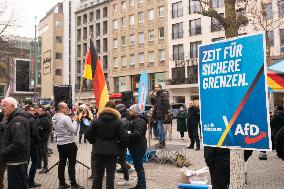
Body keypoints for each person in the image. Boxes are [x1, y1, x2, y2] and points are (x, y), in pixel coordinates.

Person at [85, 101, 128, 189]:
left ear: (104, 108)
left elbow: (88, 134)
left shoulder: (96, 121)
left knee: (98, 173)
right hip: (112, 151)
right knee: (110, 175)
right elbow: (124, 138)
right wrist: (117, 145)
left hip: (99, 150)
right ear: (115, 109)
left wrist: (95, 142)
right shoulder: (118, 122)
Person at [0, 97, 30, 189]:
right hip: (15, 161)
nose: (2, 108)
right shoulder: (13, 118)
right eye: (1, 106)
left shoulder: (17, 120)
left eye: (5, 106)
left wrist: (2, 152)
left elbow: (19, 143)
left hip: (17, 162)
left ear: (13, 106)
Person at [52, 102, 84, 189]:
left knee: (62, 163)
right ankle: (73, 184)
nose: (68, 109)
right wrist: (75, 121)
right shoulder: (65, 118)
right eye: (66, 108)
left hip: (60, 144)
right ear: (61, 108)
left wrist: (72, 120)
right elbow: (74, 131)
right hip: (69, 143)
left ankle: (62, 183)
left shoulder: (54, 117)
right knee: (71, 164)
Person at [127, 104, 147, 189]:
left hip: (138, 147)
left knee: (139, 167)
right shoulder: (135, 120)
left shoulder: (139, 121)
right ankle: (140, 185)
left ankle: (142, 186)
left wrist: (127, 134)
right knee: (138, 166)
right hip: (135, 146)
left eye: (131, 110)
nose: (129, 112)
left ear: (135, 111)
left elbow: (138, 134)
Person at [25, 105, 41, 188]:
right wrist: (39, 141)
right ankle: (30, 181)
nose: (33, 111)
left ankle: (25, 181)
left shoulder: (23, 118)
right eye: (31, 110)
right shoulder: (31, 119)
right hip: (33, 145)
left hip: (25, 145)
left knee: (25, 164)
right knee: (35, 162)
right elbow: (35, 133)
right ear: (27, 110)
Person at [116, 104, 131, 186]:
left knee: (121, 160)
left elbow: (121, 134)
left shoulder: (121, 121)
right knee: (121, 160)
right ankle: (127, 168)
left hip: (121, 143)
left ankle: (126, 178)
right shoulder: (125, 119)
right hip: (123, 143)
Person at [37, 106, 52, 174]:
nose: (38, 112)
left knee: (44, 153)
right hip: (41, 138)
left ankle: (45, 167)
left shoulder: (45, 119)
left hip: (43, 138)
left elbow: (42, 128)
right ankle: (42, 166)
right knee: (42, 152)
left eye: (40, 111)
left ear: (43, 111)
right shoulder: (42, 118)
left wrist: (37, 127)